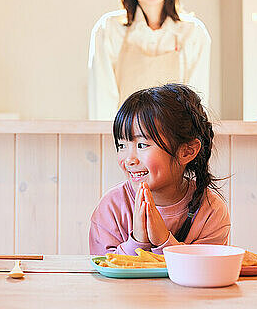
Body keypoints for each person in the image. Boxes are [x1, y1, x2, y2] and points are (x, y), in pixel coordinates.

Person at [89, 83, 229, 255]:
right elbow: (104, 271)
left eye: (142, 144)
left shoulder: (210, 210)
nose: (129, 159)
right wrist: (138, 241)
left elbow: (208, 271)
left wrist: (164, 240)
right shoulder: (111, 207)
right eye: (121, 145)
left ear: (187, 151)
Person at [88, 0, 211, 120]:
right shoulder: (108, 29)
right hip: (125, 138)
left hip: (174, 139)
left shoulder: (193, 32)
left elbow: (197, 102)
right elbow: (103, 100)